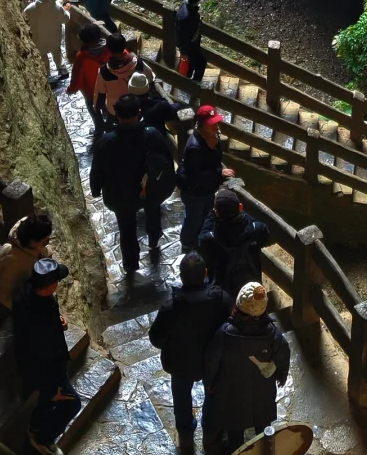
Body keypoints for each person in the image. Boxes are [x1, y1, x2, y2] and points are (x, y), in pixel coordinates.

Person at [148, 251, 232, 447]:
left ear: (181, 275)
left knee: (181, 394)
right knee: (213, 393)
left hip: (180, 364)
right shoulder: (223, 300)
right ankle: (210, 432)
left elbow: (156, 339)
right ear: (205, 273)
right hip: (212, 362)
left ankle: (185, 433)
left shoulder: (170, 308)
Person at [202, 282, 290, 455]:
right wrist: (282, 374)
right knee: (263, 420)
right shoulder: (272, 335)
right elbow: (283, 354)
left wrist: (209, 383)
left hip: (232, 391)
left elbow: (212, 361)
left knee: (235, 427)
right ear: (263, 307)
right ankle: (266, 454)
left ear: (239, 304)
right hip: (262, 390)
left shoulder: (225, 334)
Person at [89, 94, 175, 276]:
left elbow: (97, 168)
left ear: (116, 114)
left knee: (126, 228)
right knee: (153, 213)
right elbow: (167, 159)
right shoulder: (152, 135)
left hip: (120, 194)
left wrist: (96, 189)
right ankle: (153, 240)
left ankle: (130, 264)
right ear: (139, 112)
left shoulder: (107, 141)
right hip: (150, 189)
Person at [12, 258, 82, 455]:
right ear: (51, 285)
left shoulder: (26, 294)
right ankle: (42, 439)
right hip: (47, 369)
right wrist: (53, 388)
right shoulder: (39, 321)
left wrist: (57, 319)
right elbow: (38, 351)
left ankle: (34, 426)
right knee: (71, 403)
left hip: (49, 363)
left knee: (46, 400)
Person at [198, 186, 271, 301]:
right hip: (251, 281)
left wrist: (211, 215)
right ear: (240, 207)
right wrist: (242, 215)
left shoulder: (210, 239)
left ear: (216, 213)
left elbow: (201, 242)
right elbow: (265, 237)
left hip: (223, 289)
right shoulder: (257, 228)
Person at [177, 105, 233, 251]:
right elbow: (197, 176)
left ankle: (199, 242)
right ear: (202, 125)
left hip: (205, 190)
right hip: (194, 192)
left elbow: (214, 160)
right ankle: (187, 244)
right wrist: (219, 173)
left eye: (216, 122)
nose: (216, 126)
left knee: (204, 217)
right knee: (193, 220)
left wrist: (213, 148)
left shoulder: (210, 138)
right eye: (212, 123)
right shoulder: (194, 148)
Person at [0, 211, 53, 311]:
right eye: (45, 241)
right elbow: (6, 292)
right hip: (13, 298)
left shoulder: (25, 224)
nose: (47, 243)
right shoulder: (13, 261)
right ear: (32, 241)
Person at [93, 35, 146, 124]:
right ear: (124, 45)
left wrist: (97, 109)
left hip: (115, 111)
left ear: (108, 49)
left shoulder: (104, 71)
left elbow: (100, 94)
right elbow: (151, 80)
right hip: (136, 109)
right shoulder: (138, 64)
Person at [22, 0, 67, 82]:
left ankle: (46, 75)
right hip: (54, 39)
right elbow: (66, 19)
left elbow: (24, 19)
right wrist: (66, 10)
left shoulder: (31, 8)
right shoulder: (57, 8)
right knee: (57, 53)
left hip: (38, 40)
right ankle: (62, 70)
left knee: (43, 56)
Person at [67, 24, 110, 122]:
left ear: (81, 39)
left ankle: (99, 127)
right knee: (111, 110)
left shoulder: (81, 57)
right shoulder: (110, 48)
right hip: (111, 88)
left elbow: (77, 77)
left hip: (92, 93)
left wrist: (71, 90)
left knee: (94, 109)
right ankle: (111, 126)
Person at [175, 0, 205, 82]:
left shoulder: (184, 4)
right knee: (201, 63)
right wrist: (183, 52)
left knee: (191, 65)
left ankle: (186, 82)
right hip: (190, 46)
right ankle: (194, 85)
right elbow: (181, 36)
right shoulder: (187, 18)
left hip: (191, 44)